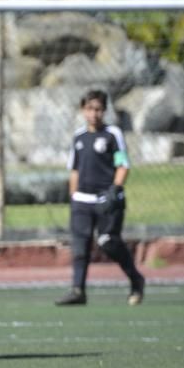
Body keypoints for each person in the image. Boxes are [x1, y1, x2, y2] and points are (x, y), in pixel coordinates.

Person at [55, 89, 145, 306]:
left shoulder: (112, 134)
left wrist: (115, 189)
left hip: (107, 199)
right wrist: (74, 196)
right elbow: (74, 170)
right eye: (89, 109)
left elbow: (122, 164)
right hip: (82, 201)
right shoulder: (79, 137)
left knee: (108, 242)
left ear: (104, 111)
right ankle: (78, 290)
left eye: (98, 109)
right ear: (82, 110)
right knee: (80, 245)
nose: (93, 114)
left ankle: (136, 278)